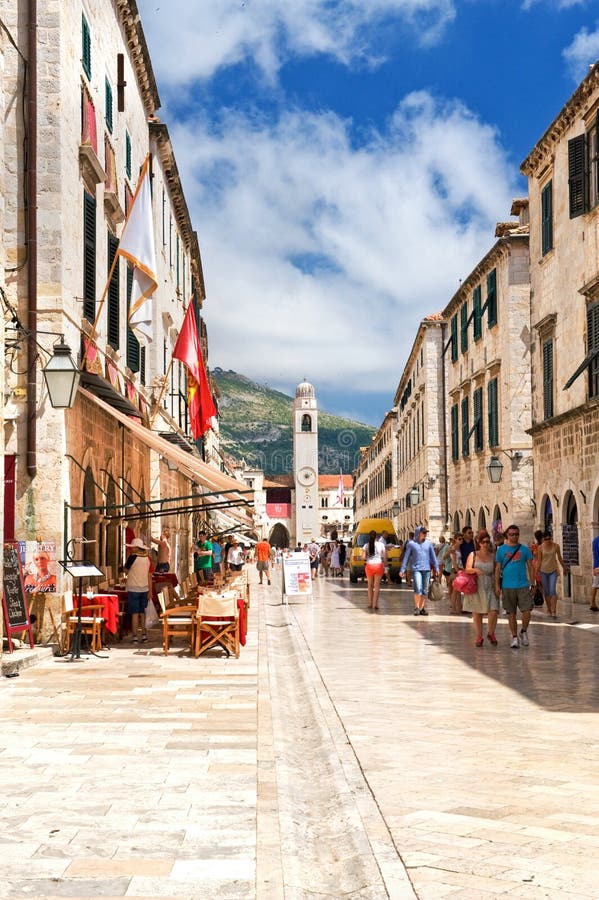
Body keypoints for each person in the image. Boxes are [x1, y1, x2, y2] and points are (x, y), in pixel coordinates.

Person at [494, 524, 535, 649]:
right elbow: (497, 569)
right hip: (507, 585)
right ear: (507, 535)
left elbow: (530, 567)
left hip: (522, 584)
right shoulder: (501, 550)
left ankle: (523, 631)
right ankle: (514, 637)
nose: (514, 536)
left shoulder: (525, 550)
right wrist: (497, 585)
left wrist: (533, 583)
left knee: (527, 610)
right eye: (511, 534)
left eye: (516, 534)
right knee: (511, 613)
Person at [463, 530, 498, 647]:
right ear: (478, 542)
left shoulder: (493, 556)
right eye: (483, 542)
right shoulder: (473, 555)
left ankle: (491, 633)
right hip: (477, 585)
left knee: (493, 610)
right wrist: (475, 570)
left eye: (487, 542)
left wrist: (497, 585)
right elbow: (467, 569)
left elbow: (496, 572)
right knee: (477, 612)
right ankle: (479, 636)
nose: (485, 544)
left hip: (489, 584)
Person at [400, 527, 439, 616]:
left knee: (425, 589)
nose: (425, 534)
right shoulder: (411, 544)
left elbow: (433, 557)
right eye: (423, 532)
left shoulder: (429, 544)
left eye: (426, 532)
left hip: (427, 569)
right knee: (418, 587)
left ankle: (422, 608)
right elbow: (406, 557)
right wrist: (403, 569)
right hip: (416, 569)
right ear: (418, 533)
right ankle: (416, 607)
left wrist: (436, 568)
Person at [125, 537, 152, 643]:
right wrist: (150, 590)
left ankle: (135, 636)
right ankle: (144, 635)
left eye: (132, 547)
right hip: (144, 588)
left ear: (136, 548)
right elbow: (149, 576)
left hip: (133, 588)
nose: (131, 549)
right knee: (143, 613)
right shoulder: (148, 559)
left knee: (135, 614)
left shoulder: (132, 558)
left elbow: (126, 570)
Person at [535, 530, 567, 618]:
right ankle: (549, 609)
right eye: (546, 539)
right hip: (543, 571)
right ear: (543, 539)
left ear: (551, 538)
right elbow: (539, 560)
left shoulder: (556, 546)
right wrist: (536, 571)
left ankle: (554, 611)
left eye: (549, 539)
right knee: (546, 591)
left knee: (552, 590)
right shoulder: (540, 548)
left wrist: (564, 568)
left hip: (553, 570)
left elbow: (560, 558)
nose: (548, 541)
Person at [362, 530, 387, 611]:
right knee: (376, 586)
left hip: (369, 566)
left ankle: (369, 603)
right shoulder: (381, 544)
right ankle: (375, 604)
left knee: (370, 586)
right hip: (378, 565)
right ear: (376, 536)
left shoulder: (366, 545)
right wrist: (385, 564)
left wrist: (367, 557)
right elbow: (385, 556)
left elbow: (363, 557)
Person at [448, 533, 465, 613]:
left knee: (458, 591)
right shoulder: (453, 549)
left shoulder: (460, 548)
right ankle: (453, 608)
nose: (461, 540)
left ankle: (459, 607)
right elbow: (454, 562)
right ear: (455, 540)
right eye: (459, 539)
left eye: (462, 539)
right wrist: (458, 571)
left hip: (461, 569)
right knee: (455, 590)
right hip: (456, 570)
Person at [591, 533, 599, 611]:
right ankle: (592, 603)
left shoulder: (595, 540)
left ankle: (592, 603)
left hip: (596, 566)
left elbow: (595, 554)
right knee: (595, 585)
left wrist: (595, 567)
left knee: (595, 585)